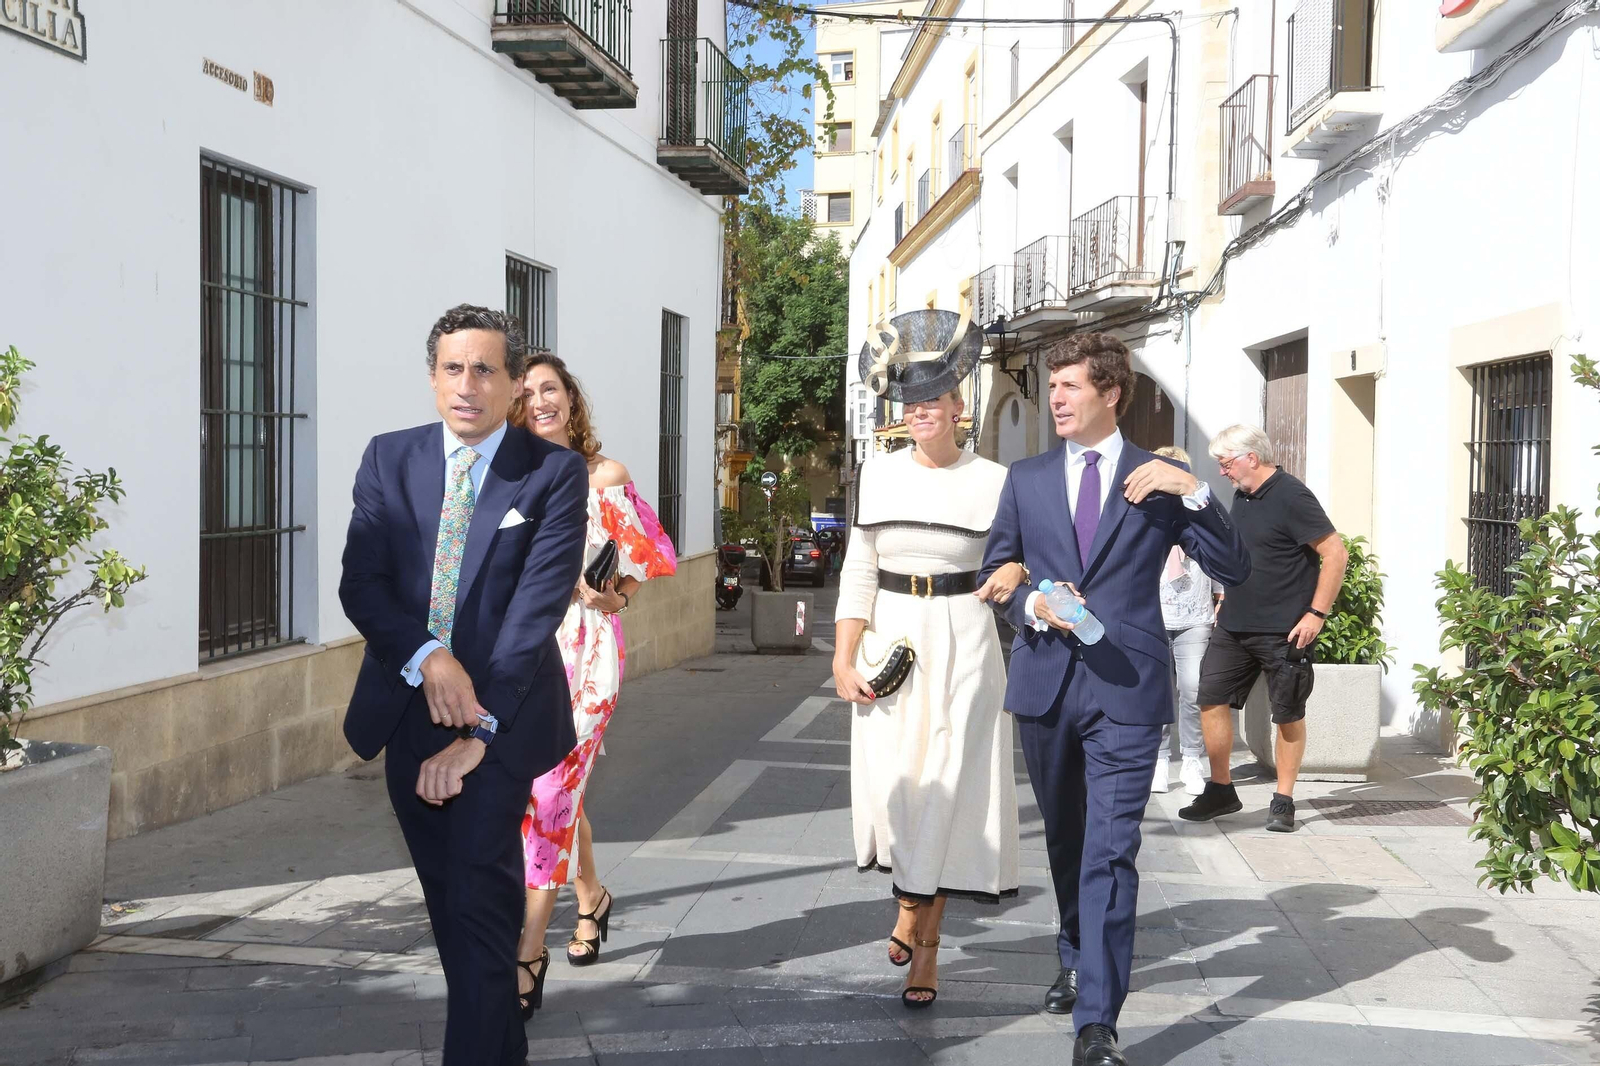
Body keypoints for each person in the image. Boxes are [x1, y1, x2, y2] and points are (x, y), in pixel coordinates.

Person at [977, 333, 1250, 1066]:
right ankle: (1074, 949)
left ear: (1110, 395)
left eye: (1069, 386)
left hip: (1127, 687)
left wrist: (1190, 491)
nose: (1057, 398)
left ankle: (1097, 1021)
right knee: (1066, 841)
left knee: (1111, 848)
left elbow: (1234, 564)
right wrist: (1035, 604)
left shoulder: (1157, 478)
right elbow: (997, 572)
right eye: (1053, 386)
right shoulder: (1026, 478)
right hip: (1044, 684)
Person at [339, 304, 588, 1066]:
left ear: (514, 383)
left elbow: (533, 615)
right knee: (456, 921)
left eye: (486, 369)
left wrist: (479, 733)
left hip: (501, 723)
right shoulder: (390, 458)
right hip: (407, 715)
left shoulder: (551, 472)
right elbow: (363, 584)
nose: (468, 384)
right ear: (432, 376)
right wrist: (427, 656)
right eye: (454, 367)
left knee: (481, 909)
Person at [832, 308, 1026, 1011]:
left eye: (931, 400)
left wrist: (1017, 572)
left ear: (957, 406)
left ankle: (923, 942)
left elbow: (1019, 559)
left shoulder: (999, 482)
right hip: (891, 640)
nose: (918, 411)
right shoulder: (877, 475)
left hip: (966, 639)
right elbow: (859, 568)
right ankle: (913, 898)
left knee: (948, 779)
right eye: (909, 402)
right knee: (900, 784)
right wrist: (843, 654)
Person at [510, 352, 677, 1014]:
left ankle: (529, 948)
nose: (541, 400)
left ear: (572, 401)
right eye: (527, 393)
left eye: (551, 389)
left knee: (551, 789)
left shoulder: (603, 476)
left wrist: (620, 598)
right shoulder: (507, 476)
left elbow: (653, 549)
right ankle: (591, 898)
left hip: (587, 654)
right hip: (524, 657)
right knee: (551, 791)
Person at [1180, 425, 1347, 833]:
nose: (1223, 472)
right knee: (1210, 699)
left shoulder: (1292, 495)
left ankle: (1284, 799)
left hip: (1285, 630)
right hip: (1234, 624)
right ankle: (1221, 789)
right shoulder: (1243, 496)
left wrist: (1316, 614)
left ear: (1250, 458)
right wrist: (1223, 599)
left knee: (1287, 715)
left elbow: (1335, 554)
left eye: (1225, 463)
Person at [1152, 445, 1224, 797]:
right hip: (1152, 613)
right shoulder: (1146, 510)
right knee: (1158, 692)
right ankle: (1160, 758)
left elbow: (1216, 547)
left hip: (1194, 612)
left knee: (1193, 690)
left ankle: (1193, 759)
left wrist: (1222, 591)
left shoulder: (1196, 508)